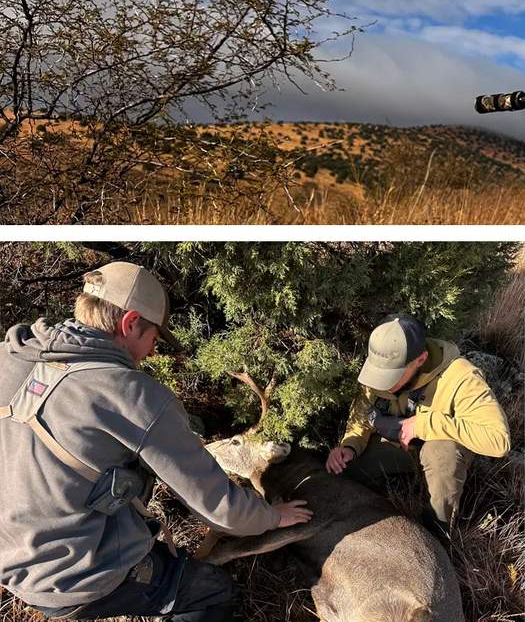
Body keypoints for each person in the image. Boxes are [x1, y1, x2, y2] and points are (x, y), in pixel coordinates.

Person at [0, 261, 311, 622]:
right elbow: (219, 509)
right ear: (130, 322)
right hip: (74, 578)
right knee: (212, 593)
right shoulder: (132, 395)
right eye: (152, 337)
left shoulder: (11, 355)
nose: (151, 351)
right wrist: (272, 516)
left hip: (10, 558)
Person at [325, 313, 509, 532]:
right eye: (378, 374)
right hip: (397, 448)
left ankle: (439, 528)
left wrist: (424, 424)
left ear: (420, 359)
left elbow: (499, 441)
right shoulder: (379, 367)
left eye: (391, 376)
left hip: (440, 454)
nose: (382, 384)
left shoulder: (461, 377)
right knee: (344, 469)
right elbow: (361, 419)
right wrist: (349, 447)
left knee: (441, 452)